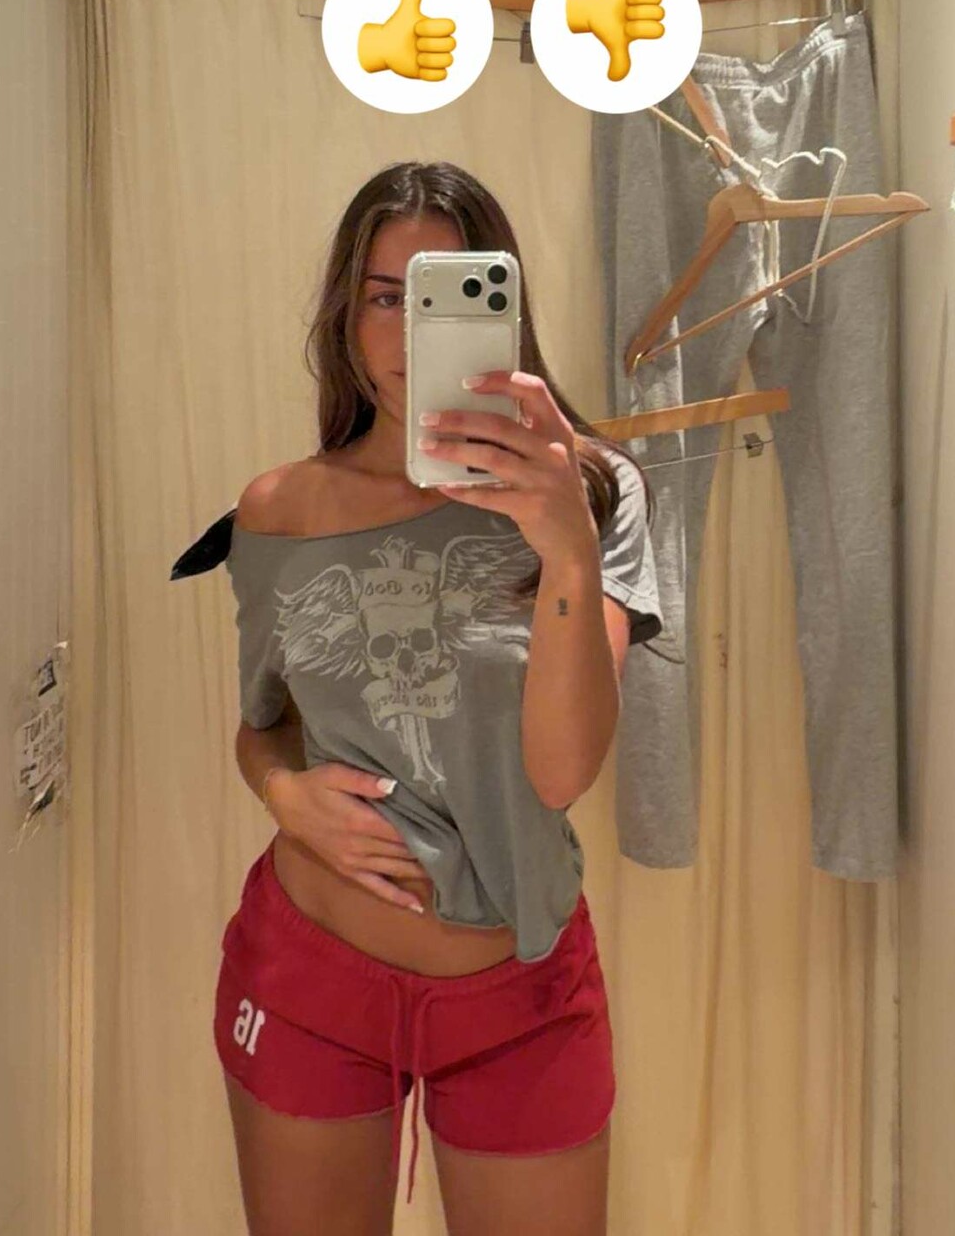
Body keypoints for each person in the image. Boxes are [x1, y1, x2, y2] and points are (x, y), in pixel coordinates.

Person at [189, 160, 663, 1236]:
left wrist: (565, 547)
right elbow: (265, 728)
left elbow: (562, 772)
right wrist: (283, 795)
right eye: (384, 297)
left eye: (446, 295)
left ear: (502, 306)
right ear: (345, 316)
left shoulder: (594, 491)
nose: (411, 332)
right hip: (307, 972)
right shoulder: (279, 511)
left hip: (520, 994)